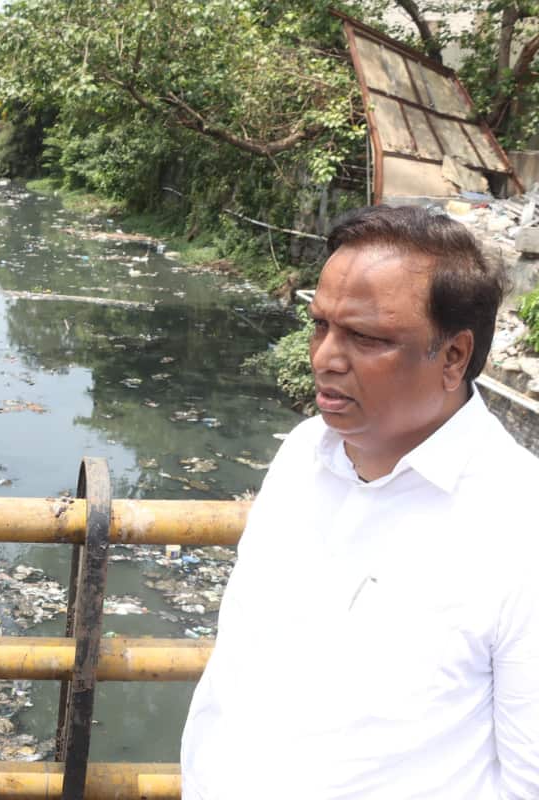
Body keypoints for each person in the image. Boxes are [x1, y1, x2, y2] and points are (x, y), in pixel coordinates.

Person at [180, 205, 539, 798]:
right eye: (320, 324)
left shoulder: (517, 523)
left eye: (367, 338)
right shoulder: (302, 454)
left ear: (452, 356)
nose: (323, 357)